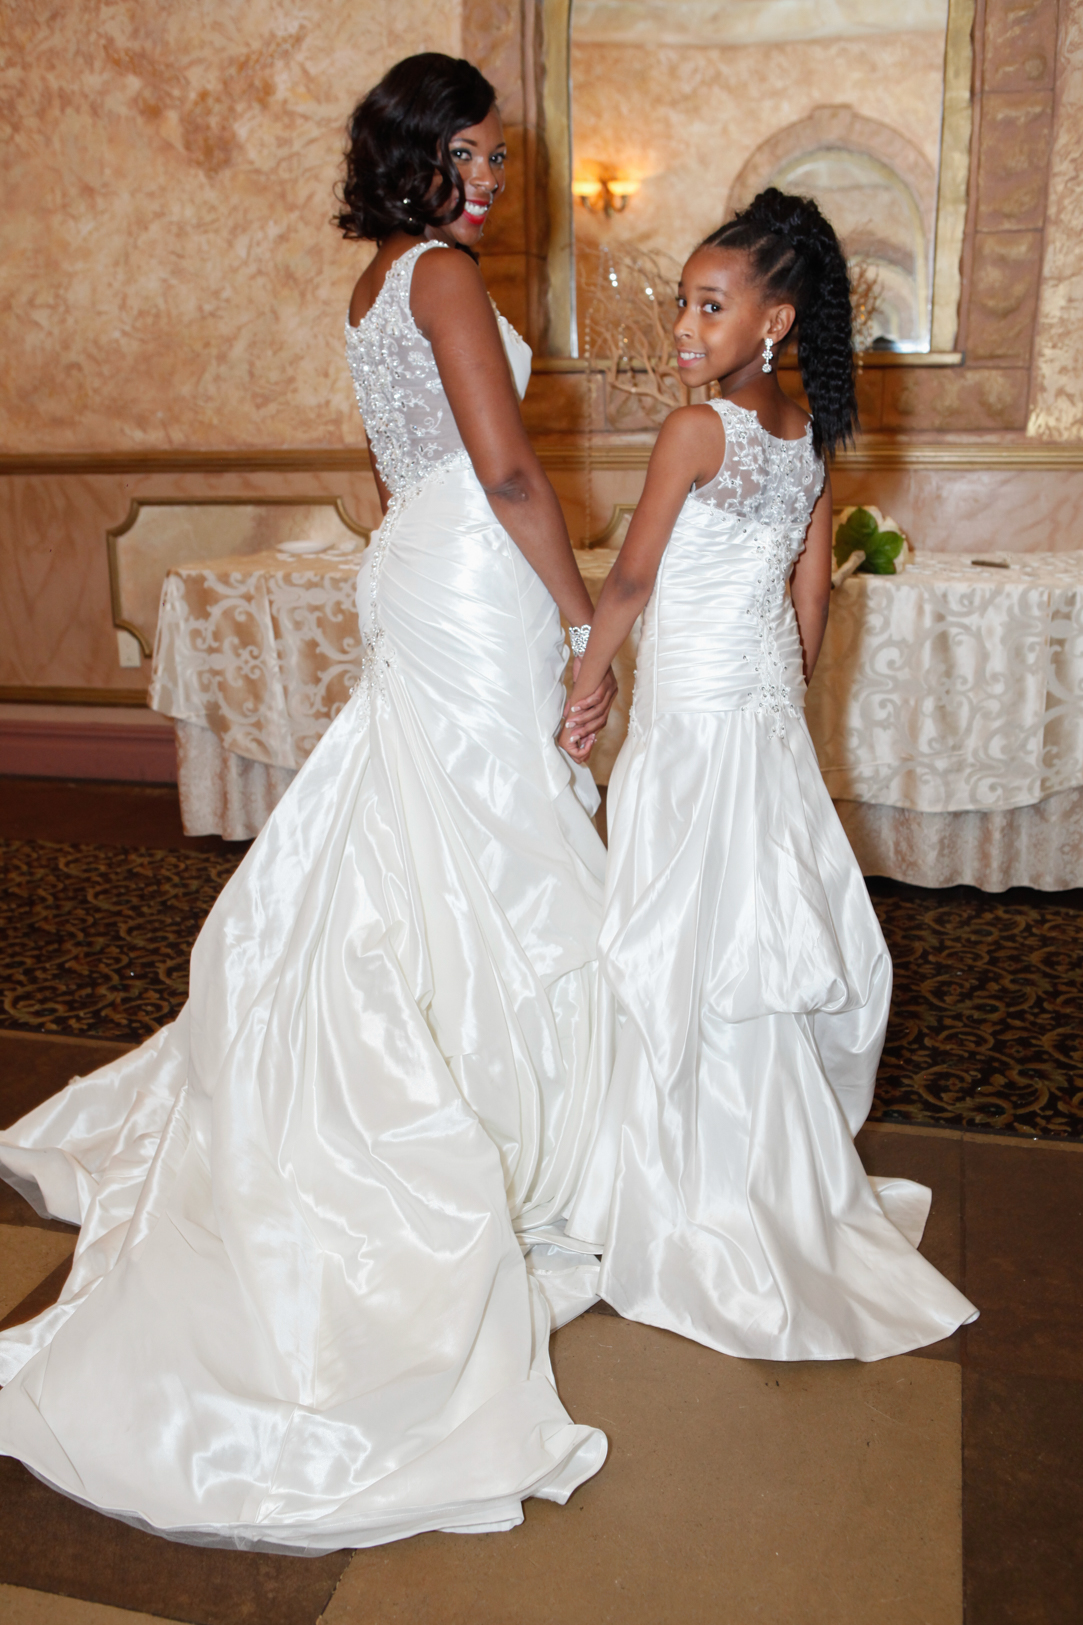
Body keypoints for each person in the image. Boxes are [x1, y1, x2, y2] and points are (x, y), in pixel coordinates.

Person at [0, 53, 618, 1551]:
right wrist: (585, 612)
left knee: (433, 816)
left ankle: (469, 1064)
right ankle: (507, 1103)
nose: (487, 177)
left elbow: (393, 465)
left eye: (492, 155)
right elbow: (506, 471)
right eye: (464, 153)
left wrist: (464, 563)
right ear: (412, 156)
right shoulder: (448, 284)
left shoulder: (370, 287)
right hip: (473, 570)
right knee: (482, 822)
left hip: (417, 563)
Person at [560, 190, 977, 1361]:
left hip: (696, 723)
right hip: (756, 717)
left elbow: (632, 580)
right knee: (750, 928)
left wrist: (585, 685)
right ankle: (771, 1173)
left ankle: (681, 1179)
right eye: (684, 304)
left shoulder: (698, 432)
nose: (685, 328)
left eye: (709, 305)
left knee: (683, 928)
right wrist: (783, 691)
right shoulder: (804, 436)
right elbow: (813, 587)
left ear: (776, 318)